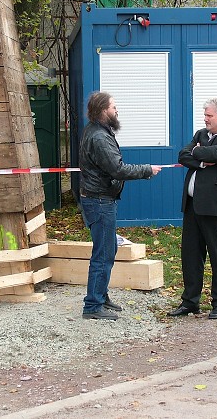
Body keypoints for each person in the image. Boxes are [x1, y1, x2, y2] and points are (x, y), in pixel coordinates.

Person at [79, 91, 162, 320]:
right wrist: (147, 170)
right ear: (103, 110)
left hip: (100, 198)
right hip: (99, 201)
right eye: (113, 107)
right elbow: (117, 169)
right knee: (103, 253)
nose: (116, 111)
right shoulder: (99, 137)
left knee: (107, 250)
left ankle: (100, 296)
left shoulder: (99, 132)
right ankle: (93, 306)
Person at [168, 98, 217, 319]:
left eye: (209, 115)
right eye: (205, 115)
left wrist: (199, 153)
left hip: (215, 206)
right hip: (192, 206)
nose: (205, 119)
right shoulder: (201, 134)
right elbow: (182, 155)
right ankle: (190, 301)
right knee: (190, 256)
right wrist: (202, 159)